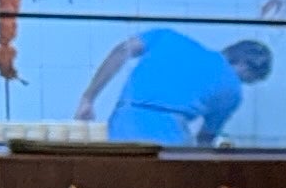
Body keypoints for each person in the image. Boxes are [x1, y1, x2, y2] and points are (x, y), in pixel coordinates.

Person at [72, 26, 272, 145]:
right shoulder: (233, 90)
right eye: (250, 80)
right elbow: (205, 140)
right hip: (170, 137)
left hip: (125, 122)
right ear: (246, 68)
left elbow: (120, 51)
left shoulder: (166, 36)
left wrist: (88, 98)